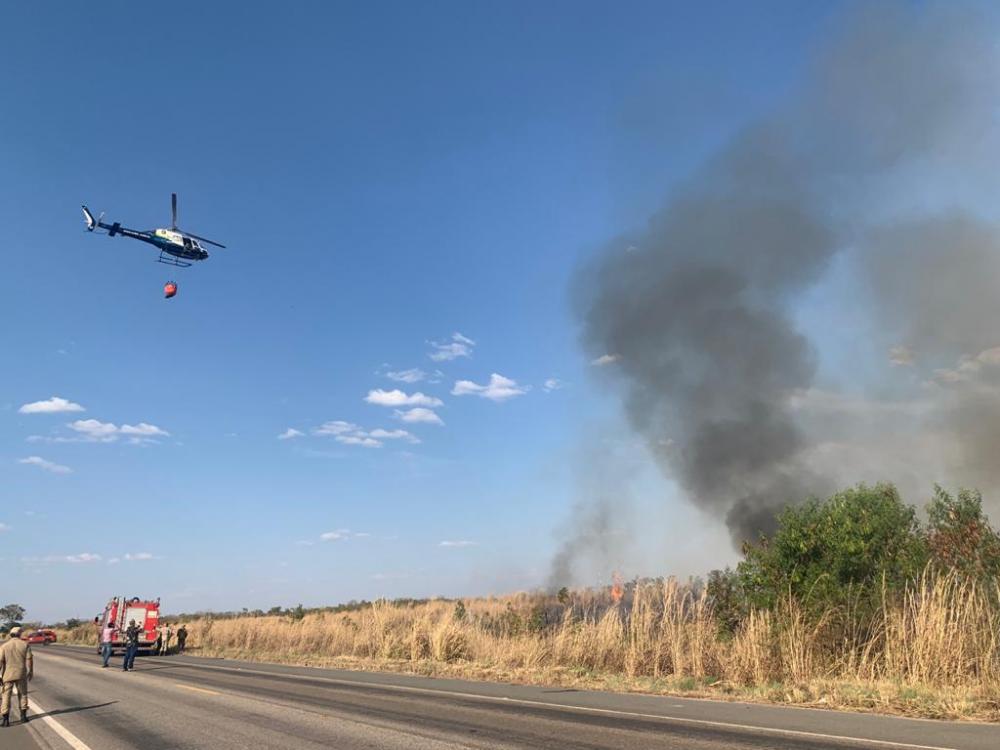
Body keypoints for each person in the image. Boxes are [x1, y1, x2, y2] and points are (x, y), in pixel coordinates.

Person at [0, 627, 33, 727]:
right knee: (22, 694)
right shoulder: (25, 644)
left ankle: (5, 719)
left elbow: (0, 661)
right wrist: (31, 671)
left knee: (6, 696)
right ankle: (23, 716)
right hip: (21, 673)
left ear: (10, 635)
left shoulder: (4, 646)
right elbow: (29, 659)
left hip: (7, 674)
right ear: (19, 634)